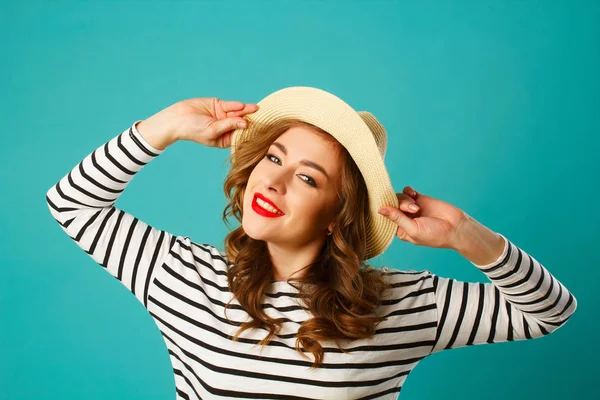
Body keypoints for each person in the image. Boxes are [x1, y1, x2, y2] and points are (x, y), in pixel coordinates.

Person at [45, 86, 577, 399]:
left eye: (308, 178)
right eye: (274, 158)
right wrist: (166, 125)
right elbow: (71, 204)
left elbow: (548, 312)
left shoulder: (398, 305)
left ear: (335, 216)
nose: (272, 182)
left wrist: (464, 234)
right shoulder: (182, 276)